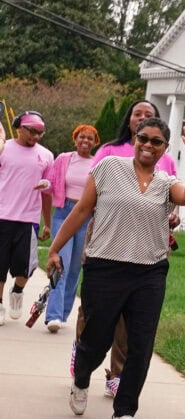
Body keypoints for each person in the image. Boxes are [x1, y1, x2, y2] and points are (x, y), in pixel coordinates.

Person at [47, 119, 185, 419]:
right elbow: (81, 211)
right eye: (143, 138)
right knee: (97, 339)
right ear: (134, 139)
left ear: (164, 148)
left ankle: (124, 412)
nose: (148, 145)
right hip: (105, 267)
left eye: (156, 142)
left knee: (140, 344)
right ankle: (81, 379)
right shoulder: (108, 167)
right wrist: (54, 249)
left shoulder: (165, 181)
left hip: (149, 271)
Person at [73, 100, 178, 397]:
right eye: (138, 114)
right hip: (107, 245)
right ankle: (84, 353)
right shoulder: (107, 153)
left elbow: (173, 195)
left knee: (133, 329)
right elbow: (88, 202)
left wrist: (173, 213)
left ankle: (117, 375)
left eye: (149, 115)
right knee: (98, 319)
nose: (143, 118)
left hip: (147, 252)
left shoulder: (165, 160)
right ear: (130, 123)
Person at [41, 124, 100, 332]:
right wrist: (44, 185)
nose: (85, 141)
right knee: (61, 264)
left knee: (75, 267)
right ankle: (53, 315)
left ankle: (63, 312)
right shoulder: (64, 159)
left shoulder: (97, 164)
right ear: (75, 140)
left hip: (86, 215)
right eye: (81, 137)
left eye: (90, 139)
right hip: (64, 213)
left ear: (95, 143)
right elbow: (52, 182)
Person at [0, 111, 53, 326]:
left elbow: (49, 190)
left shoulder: (46, 155)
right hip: (2, 215)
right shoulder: (3, 149)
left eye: (40, 132)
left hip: (28, 218)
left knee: (25, 268)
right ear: (19, 127)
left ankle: (18, 291)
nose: (36, 136)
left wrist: (47, 222)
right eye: (32, 131)